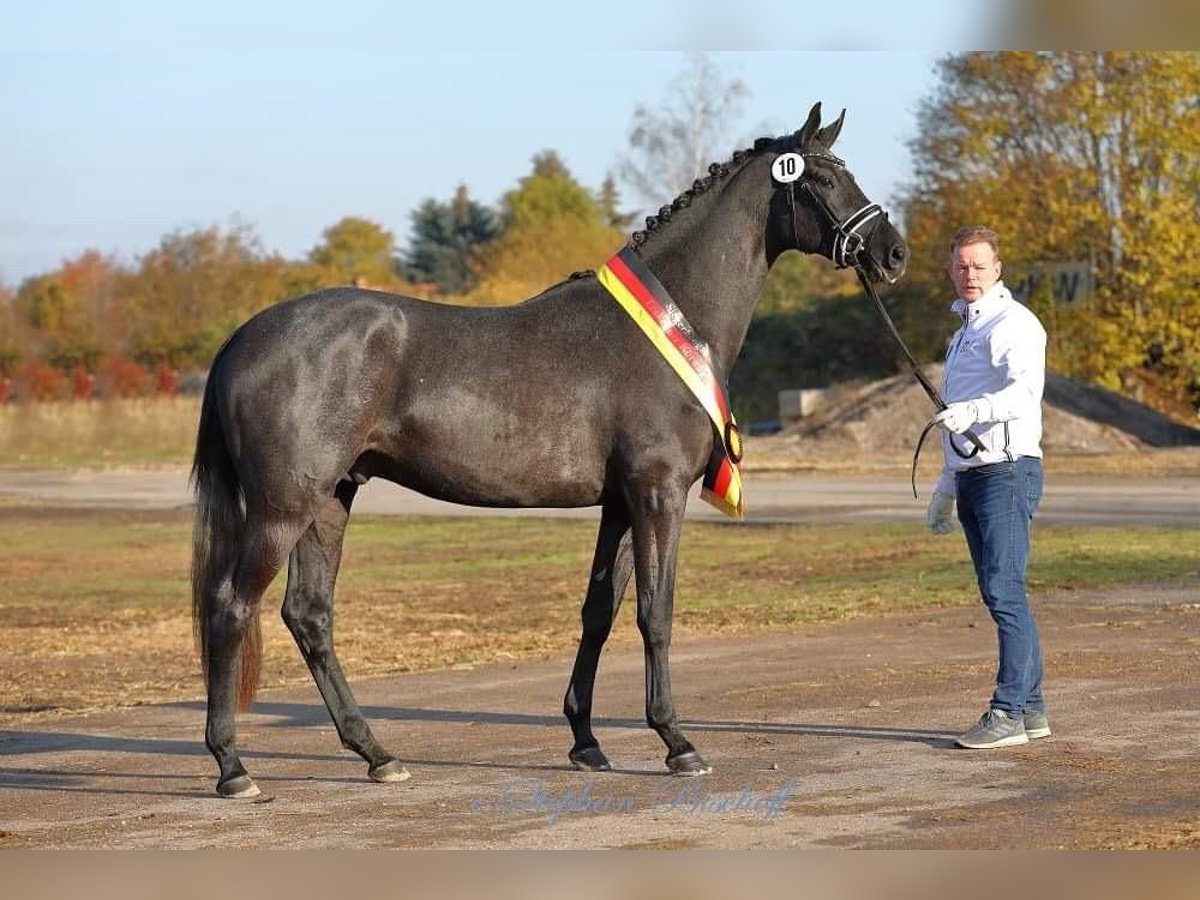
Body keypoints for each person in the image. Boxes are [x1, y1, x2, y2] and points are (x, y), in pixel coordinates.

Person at [926, 225, 1049, 750]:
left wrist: (976, 410)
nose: (969, 274)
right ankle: (1033, 708)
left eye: (978, 265)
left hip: (1008, 470)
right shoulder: (963, 334)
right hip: (974, 475)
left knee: (1004, 591)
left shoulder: (1013, 323)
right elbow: (956, 419)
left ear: (998, 268)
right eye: (960, 265)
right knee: (1000, 591)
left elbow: (1024, 394)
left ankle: (1006, 711)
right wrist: (946, 485)